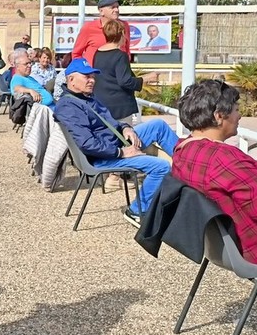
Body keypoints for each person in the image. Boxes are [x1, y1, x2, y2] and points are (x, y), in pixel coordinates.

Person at [172, 80, 257, 335]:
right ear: (219, 116)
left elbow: (244, 179)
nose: (240, 115)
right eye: (235, 109)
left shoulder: (184, 150)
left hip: (224, 245)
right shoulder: (224, 158)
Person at [54, 58, 178, 227]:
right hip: (103, 156)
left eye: (93, 76)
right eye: (87, 77)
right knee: (161, 167)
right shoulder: (68, 106)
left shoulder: (88, 98)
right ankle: (136, 211)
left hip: (115, 142)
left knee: (158, 126)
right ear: (71, 80)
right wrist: (121, 152)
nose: (92, 80)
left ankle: (189, 164)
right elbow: (88, 143)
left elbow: (112, 122)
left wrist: (126, 128)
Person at [92, 19, 158, 124]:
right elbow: (125, 81)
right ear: (122, 33)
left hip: (101, 104)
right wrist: (146, 78)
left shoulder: (98, 53)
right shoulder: (120, 55)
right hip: (119, 108)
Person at [72, 0, 131, 64]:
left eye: (117, 7)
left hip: (118, 69)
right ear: (101, 11)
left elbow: (127, 50)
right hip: (94, 70)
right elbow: (76, 54)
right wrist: (83, 69)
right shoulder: (89, 28)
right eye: (112, 7)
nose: (116, 10)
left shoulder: (124, 26)